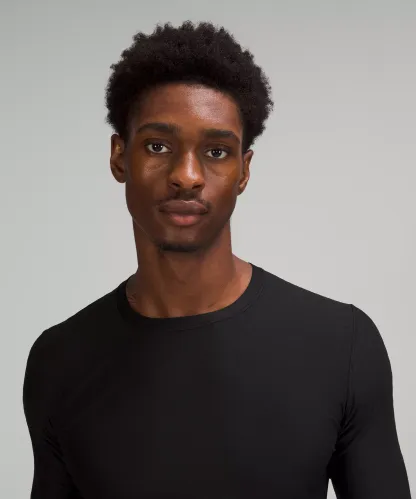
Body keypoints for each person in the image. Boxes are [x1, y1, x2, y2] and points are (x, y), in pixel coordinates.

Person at [23, 20, 412, 499]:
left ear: (244, 171)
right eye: (158, 146)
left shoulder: (343, 346)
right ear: (119, 156)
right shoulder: (59, 361)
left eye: (216, 151)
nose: (187, 175)